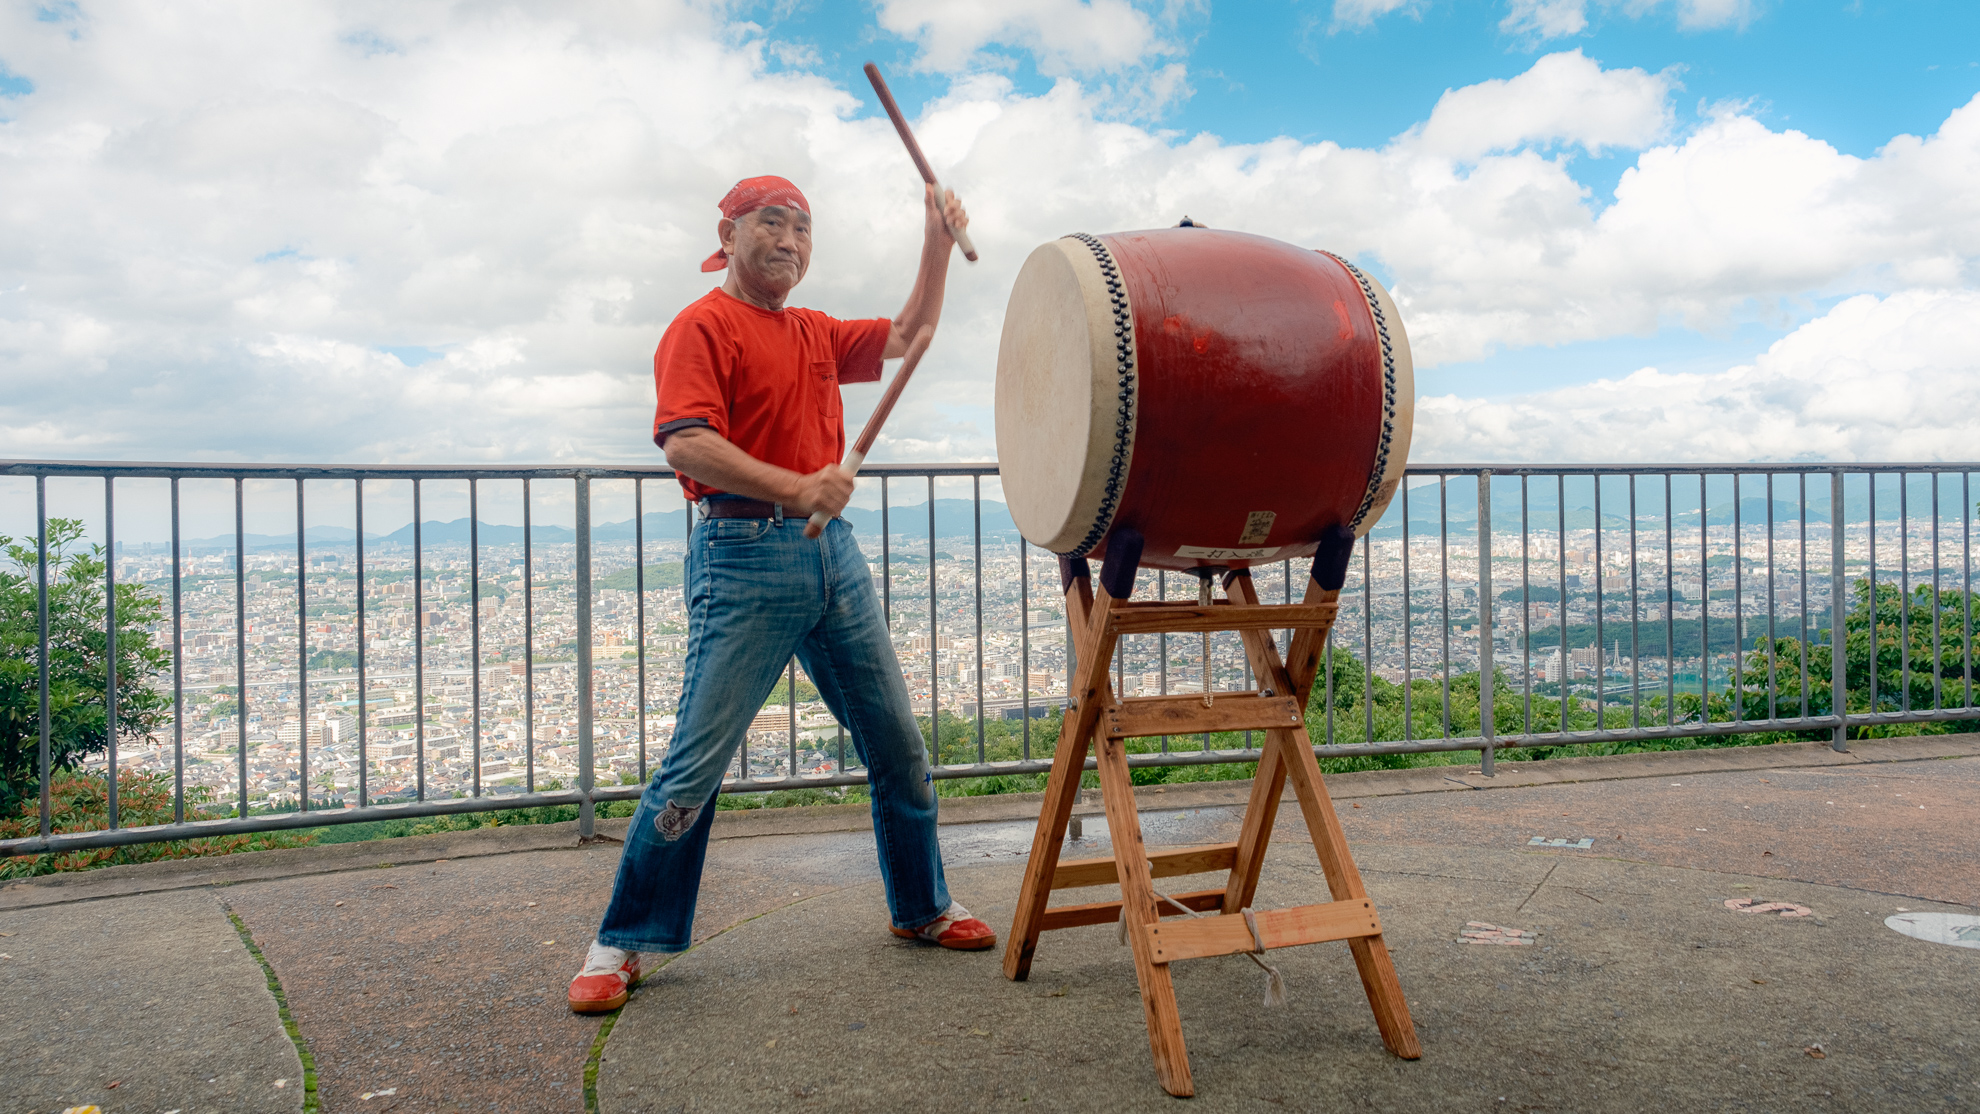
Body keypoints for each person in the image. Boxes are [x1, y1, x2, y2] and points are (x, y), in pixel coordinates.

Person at [568, 174, 993, 1014]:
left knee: (898, 744)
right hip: (743, 553)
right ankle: (622, 940)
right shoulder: (700, 326)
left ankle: (922, 906)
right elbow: (687, 445)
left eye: (803, 227)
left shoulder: (815, 331)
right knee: (697, 761)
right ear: (726, 234)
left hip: (833, 555)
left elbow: (912, 334)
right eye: (772, 223)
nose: (790, 239)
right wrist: (797, 489)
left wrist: (936, 242)